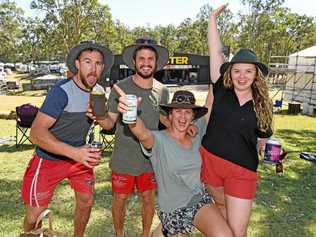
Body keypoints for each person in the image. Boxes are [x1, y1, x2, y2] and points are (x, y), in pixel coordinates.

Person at [21, 40, 114, 237]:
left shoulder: (98, 92)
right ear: (78, 64)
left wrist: (102, 116)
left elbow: (106, 124)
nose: (93, 69)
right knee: (33, 216)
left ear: (103, 67)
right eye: (88, 62)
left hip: (80, 158)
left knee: (86, 201)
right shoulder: (61, 92)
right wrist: (75, 153)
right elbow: (36, 133)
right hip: (48, 159)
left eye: (98, 64)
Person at [114, 85, 233, 237]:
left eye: (187, 112)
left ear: (193, 117)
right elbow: (141, 132)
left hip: (197, 200)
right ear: (170, 115)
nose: (182, 117)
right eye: (178, 111)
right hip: (173, 209)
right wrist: (131, 113)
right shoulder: (159, 140)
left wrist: (215, 79)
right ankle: (162, 231)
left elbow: (210, 103)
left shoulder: (197, 132)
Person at [200, 4, 273, 237]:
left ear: (255, 75)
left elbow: (264, 139)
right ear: (229, 73)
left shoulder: (263, 105)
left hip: (242, 170)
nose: (242, 76)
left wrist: (268, 148)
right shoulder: (221, 88)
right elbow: (215, 50)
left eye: (248, 71)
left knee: (237, 231)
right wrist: (212, 18)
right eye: (237, 71)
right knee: (221, 216)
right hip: (210, 162)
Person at [95, 38, 170, 237]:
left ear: (156, 62)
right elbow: (109, 124)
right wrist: (99, 115)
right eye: (142, 59)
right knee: (120, 199)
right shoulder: (121, 88)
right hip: (123, 159)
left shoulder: (163, 91)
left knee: (148, 198)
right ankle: (119, 234)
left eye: (150, 59)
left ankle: (145, 234)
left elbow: (165, 121)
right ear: (134, 62)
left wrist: (186, 127)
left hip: (150, 160)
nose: (146, 63)